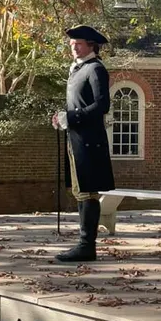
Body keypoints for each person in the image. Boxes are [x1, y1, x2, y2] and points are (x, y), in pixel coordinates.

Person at [52, 25, 115, 262]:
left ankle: (87, 246)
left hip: (90, 141)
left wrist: (71, 117)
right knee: (81, 192)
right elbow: (79, 104)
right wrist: (62, 117)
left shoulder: (96, 69)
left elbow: (102, 105)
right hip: (77, 138)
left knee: (88, 191)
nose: (74, 48)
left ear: (91, 45)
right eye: (72, 44)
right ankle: (83, 244)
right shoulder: (78, 69)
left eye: (78, 44)